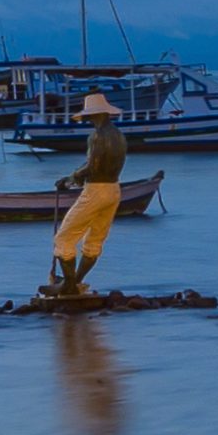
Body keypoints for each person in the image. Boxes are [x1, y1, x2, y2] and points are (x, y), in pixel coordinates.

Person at [42, 94, 134, 301]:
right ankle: (74, 282)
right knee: (95, 239)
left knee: (64, 238)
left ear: (96, 115)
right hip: (114, 189)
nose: (88, 120)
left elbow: (92, 166)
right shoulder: (120, 136)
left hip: (96, 190)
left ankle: (69, 285)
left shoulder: (96, 137)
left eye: (90, 116)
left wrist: (69, 179)